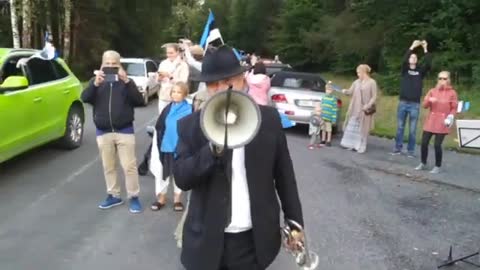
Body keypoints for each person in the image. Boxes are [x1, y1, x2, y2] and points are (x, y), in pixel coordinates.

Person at [173, 45, 304, 270]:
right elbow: (182, 179)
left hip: (253, 241)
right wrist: (211, 149)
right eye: (213, 84)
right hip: (206, 239)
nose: (221, 89)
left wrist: (295, 223)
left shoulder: (269, 121)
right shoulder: (190, 126)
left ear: (242, 80)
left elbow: (285, 177)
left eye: (228, 82)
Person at [81, 50, 144, 213]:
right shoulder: (95, 82)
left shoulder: (126, 82)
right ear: (102, 64)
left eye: (114, 64)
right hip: (103, 131)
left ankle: (134, 197)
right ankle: (114, 195)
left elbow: (139, 100)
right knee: (108, 166)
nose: (110, 66)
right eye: (107, 63)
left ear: (119, 65)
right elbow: (85, 98)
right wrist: (95, 84)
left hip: (125, 130)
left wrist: (127, 80)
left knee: (129, 166)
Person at [151, 82, 192, 211]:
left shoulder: (190, 109)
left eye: (179, 92)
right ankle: (161, 198)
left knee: (178, 174)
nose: (175, 94)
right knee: (163, 173)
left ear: (185, 94)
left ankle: (177, 199)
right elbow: (160, 127)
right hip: (166, 147)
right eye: (173, 91)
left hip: (182, 148)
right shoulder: (167, 109)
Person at [392, 40, 432, 157]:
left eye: (415, 57)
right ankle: (398, 148)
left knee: (413, 130)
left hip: (414, 104)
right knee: (400, 127)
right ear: (409, 59)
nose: (413, 58)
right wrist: (413, 47)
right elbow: (404, 59)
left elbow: (428, 64)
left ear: (417, 60)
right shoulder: (405, 70)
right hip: (403, 103)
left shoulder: (420, 72)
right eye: (411, 57)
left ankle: (410, 151)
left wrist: (425, 48)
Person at [415, 71, 458, 174]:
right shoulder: (432, 91)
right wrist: (429, 100)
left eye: (444, 78)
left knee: (437, 145)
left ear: (448, 80)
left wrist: (450, 117)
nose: (442, 81)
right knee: (424, 143)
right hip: (431, 119)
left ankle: (437, 166)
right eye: (440, 78)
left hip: (443, 120)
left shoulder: (452, 93)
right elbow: (424, 105)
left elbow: (454, 108)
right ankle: (423, 162)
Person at [340, 64, 378, 153]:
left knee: (363, 128)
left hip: (365, 109)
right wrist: (344, 91)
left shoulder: (372, 82)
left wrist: (368, 105)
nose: (357, 74)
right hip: (355, 108)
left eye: (358, 72)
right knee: (354, 127)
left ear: (363, 72)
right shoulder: (356, 82)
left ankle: (362, 145)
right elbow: (350, 91)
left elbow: (374, 96)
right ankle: (353, 144)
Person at [157, 43, 189, 114]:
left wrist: (170, 76)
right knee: (162, 117)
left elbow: (183, 82)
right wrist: (159, 78)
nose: (169, 55)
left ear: (177, 52)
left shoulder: (183, 65)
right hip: (163, 96)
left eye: (171, 53)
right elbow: (158, 80)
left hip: (177, 97)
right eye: (167, 53)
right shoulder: (163, 63)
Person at [320, 82, 339, 146]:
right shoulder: (323, 97)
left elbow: (334, 110)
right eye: (327, 89)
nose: (328, 91)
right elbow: (321, 107)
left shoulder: (333, 99)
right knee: (323, 129)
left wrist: (333, 119)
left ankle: (328, 141)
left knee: (329, 130)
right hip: (323, 117)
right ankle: (323, 140)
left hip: (329, 118)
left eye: (330, 90)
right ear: (325, 90)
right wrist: (320, 116)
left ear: (332, 91)